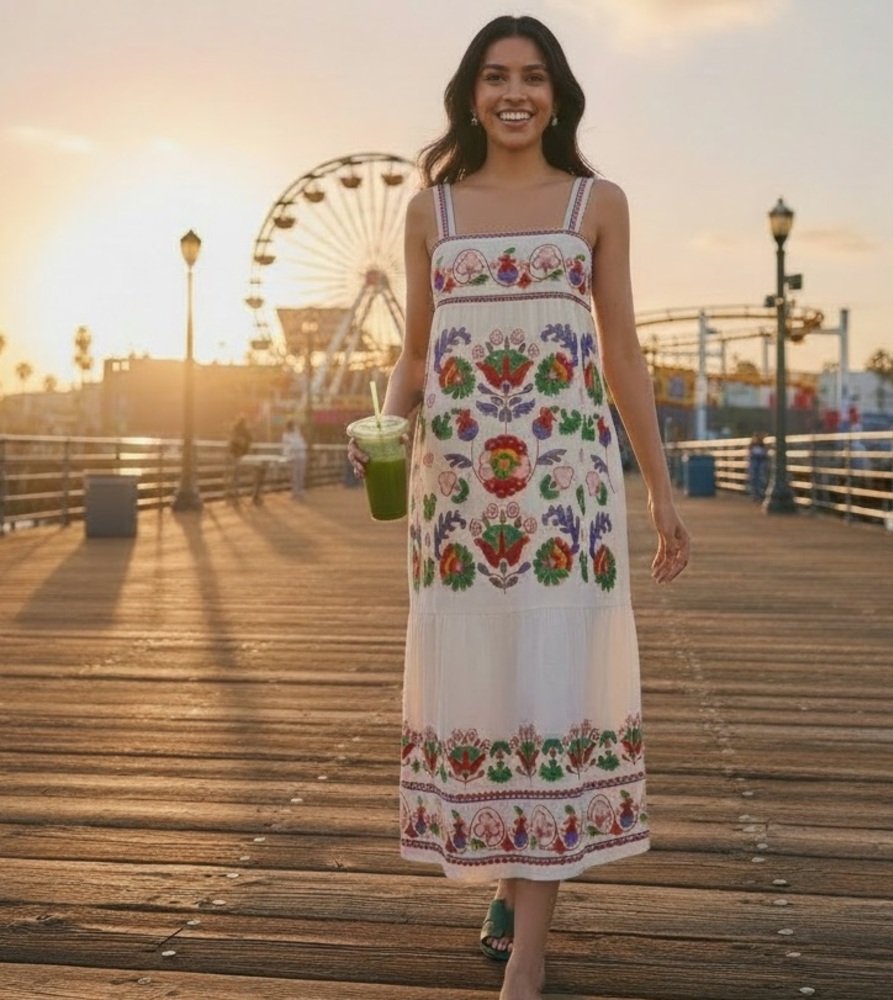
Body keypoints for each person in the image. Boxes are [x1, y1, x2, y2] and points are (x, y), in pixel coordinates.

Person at [348, 16, 690, 1000]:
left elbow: (621, 353)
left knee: (553, 683)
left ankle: (529, 952)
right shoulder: (431, 212)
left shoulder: (596, 202)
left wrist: (661, 492)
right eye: (496, 76)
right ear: (469, 94)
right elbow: (414, 354)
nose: (514, 93)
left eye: (533, 78)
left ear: (557, 95)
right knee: (489, 686)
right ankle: (508, 880)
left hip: (565, 494)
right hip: (455, 495)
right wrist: (386, 426)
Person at [227, 416, 253, 501]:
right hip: (239, 454)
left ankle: (233, 491)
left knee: (234, 473)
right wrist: (244, 442)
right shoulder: (243, 430)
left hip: (234, 453)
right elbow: (251, 438)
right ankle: (235, 492)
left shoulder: (235, 430)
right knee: (236, 473)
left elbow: (231, 442)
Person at [281, 419, 308, 500]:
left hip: (301, 456)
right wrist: (287, 456)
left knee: (300, 475)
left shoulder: (297, 433)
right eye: (293, 425)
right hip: (293, 457)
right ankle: (295, 492)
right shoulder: (286, 435)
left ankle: (300, 491)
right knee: (295, 476)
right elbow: (287, 447)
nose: (295, 427)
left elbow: (302, 444)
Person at [747, 431, 769, 503]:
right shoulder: (752, 446)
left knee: (761, 479)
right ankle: (755, 495)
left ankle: (760, 495)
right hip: (755, 462)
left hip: (760, 461)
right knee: (754, 479)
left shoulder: (762, 445)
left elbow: (765, 455)